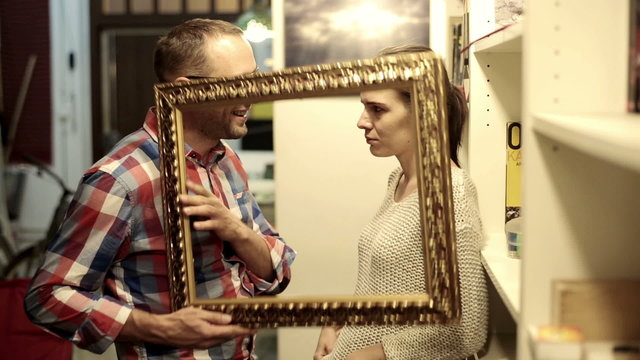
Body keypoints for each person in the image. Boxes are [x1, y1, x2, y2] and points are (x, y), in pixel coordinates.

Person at [24, 18, 296, 360]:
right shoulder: (120, 179)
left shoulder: (225, 161)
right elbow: (48, 297)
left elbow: (277, 269)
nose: (253, 93)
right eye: (238, 82)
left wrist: (237, 232)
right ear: (185, 89)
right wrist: (162, 328)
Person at [313, 45, 488, 360]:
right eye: (364, 107)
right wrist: (339, 322)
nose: (362, 121)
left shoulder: (450, 196)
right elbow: (383, 282)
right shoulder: (399, 179)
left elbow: (464, 329)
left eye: (377, 109)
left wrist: (359, 357)